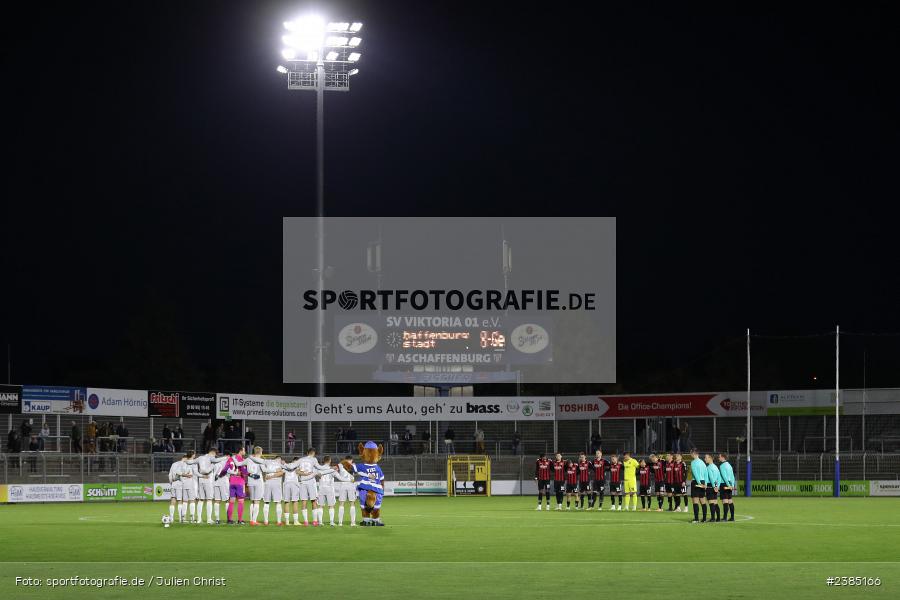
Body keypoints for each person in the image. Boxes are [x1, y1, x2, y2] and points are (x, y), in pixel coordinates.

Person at [220, 448, 248, 525]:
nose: (245, 452)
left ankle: (229, 520)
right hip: (239, 482)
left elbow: (225, 469)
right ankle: (240, 520)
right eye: (244, 450)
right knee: (241, 501)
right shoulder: (241, 459)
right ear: (241, 451)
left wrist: (220, 475)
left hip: (232, 482)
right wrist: (247, 473)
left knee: (231, 501)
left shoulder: (231, 459)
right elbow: (244, 471)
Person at [168, 453, 193, 524]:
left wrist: (171, 482)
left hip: (173, 483)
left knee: (173, 499)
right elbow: (179, 473)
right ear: (185, 458)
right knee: (179, 501)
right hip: (179, 483)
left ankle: (171, 518)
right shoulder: (183, 464)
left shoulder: (174, 464)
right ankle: (180, 518)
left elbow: (170, 474)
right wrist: (187, 475)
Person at [244, 446, 264, 525]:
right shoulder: (260, 460)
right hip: (258, 481)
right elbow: (264, 469)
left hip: (250, 481)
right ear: (261, 452)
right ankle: (254, 521)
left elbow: (244, 468)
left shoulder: (249, 459)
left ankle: (251, 519)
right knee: (257, 501)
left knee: (252, 501)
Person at [212, 451, 233, 524]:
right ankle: (229, 519)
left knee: (217, 500)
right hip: (223, 481)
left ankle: (217, 519)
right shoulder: (226, 461)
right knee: (227, 500)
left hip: (215, 482)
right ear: (228, 456)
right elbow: (230, 471)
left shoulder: (216, 462)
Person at [337, 455, 358, 526]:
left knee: (341, 503)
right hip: (351, 485)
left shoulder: (340, 465)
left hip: (343, 485)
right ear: (351, 460)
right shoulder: (353, 466)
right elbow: (355, 473)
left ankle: (340, 523)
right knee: (352, 503)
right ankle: (353, 522)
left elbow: (337, 467)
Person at [689, 449, 708, 523]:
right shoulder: (702, 462)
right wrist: (705, 483)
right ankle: (704, 519)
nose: (691, 455)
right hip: (703, 481)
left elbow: (695, 473)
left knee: (695, 501)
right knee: (703, 501)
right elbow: (706, 473)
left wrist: (699, 483)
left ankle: (696, 519)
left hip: (696, 482)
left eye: (691, 454)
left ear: (694, 453)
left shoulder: (693, 462)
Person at [718, 453, 736, 521]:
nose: (718, 458)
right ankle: (732, 517)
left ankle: (725, 518)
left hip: (724, 484)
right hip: (730, 484)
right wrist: (732, 485)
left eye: (719, 457)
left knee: (725, 501)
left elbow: (724, 476)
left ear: (723, 457)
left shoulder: (722, 466)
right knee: (730, 501)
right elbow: (732, 476)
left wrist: (728, 485)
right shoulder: (729, 465)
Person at [704, 454, 722, 522]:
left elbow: (711, 478)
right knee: (715, 502)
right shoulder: (716, 467)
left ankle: (713, 518)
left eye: (706, 458)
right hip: (715, 486)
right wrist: (717, 486)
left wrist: (714, 486)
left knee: (711, 502)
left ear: (710, 458)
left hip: (710, 486)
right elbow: (719, 478)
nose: (705, 459)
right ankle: (718, 518)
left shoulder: (708, 467)